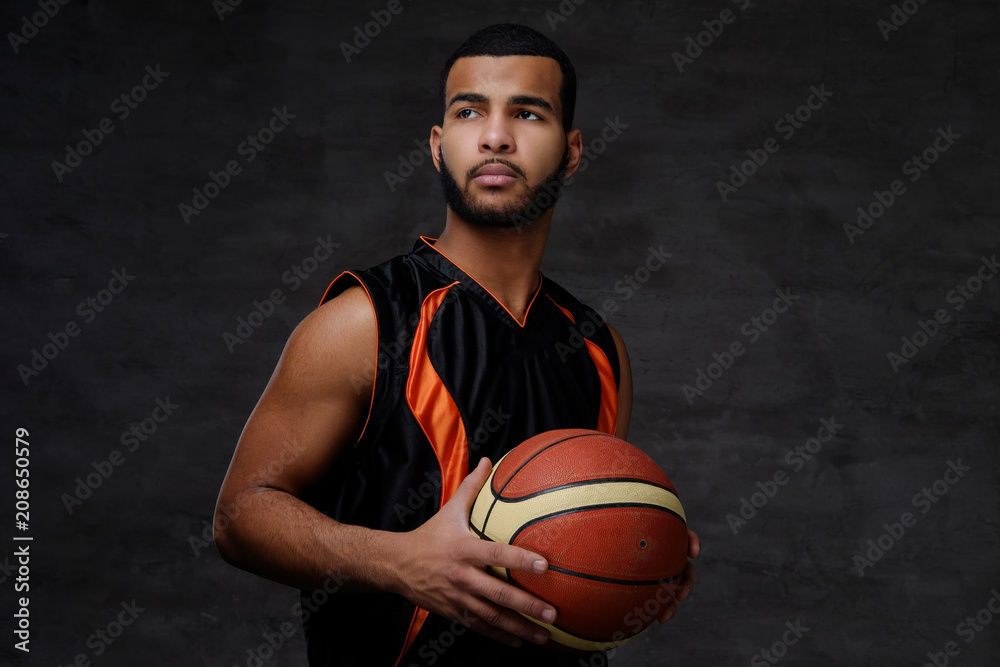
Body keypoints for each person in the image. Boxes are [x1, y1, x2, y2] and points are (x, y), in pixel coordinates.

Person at [215, 22, 699, 667]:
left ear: (573, 150)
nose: (496, 135)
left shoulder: (598, 349)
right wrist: (400, 563)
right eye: (470, 111)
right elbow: (241, 516)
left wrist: (640, 559)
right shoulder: (365, 321)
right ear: (440, 146)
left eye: (528, 112)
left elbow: (579, 531)